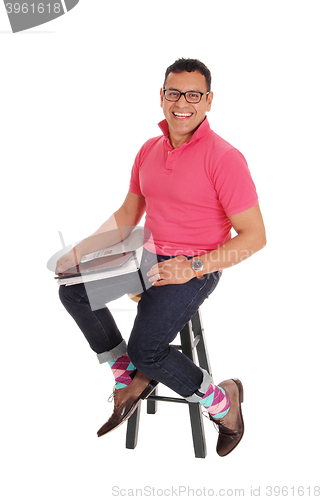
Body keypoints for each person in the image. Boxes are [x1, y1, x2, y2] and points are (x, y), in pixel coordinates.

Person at [56, 58, 266, 457]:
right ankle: (126, 375)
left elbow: (255, 237)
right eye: (174, 93)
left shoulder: (224, 158)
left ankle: (223, 403)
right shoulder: (148, 150)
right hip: (146, 258)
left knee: (147, 349)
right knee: (74, 291)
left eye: (193, 95)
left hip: (194, 268)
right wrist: (77, 253)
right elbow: (125, 216)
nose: (182, 102)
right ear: (161, 97)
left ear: (208, 102)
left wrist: (194, 266)